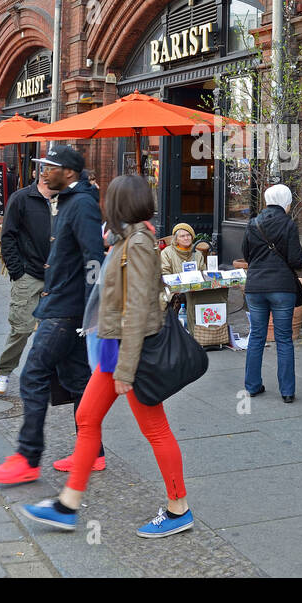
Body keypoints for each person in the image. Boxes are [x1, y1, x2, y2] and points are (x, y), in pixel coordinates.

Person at [19, 174, 194, 538]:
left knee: (155, 428)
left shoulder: (141, 242)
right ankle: (68, 505)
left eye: (109, 199)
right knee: (86, 416)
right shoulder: (128, 238)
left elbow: (138, 310)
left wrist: (125, 370)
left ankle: (179, 508)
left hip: (133, 354)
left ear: (120, 204)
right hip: (114, 351)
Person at [0, 145, 104, 485]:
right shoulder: (69, 200)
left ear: (67, 172)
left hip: (66, 310)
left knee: (33, 376)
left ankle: (27, 457)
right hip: (63, 305)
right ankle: (93, 453)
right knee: (80, 382)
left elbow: (93, 258)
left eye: (49, 167)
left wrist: (88, 311)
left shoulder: (81, 204)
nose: (43, 171)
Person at [0, 169, 55, 397]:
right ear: (39, 173)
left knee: (56, 330)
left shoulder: (65, 200)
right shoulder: (22, 198)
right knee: (22, 328)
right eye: (48, 169)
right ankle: (4, 369)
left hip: (57, 277)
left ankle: (47, 376)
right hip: (28, 274)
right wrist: (17, 271)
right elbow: (8, 235)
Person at [241, 184, 302, 403]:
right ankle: (287, 391)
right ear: (285, 201)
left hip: (256, 287)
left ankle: (252, 385)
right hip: (282, 288)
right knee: (284, 339)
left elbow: (246, 254)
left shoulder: (253, 224)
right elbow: (296, 260)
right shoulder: (289, 224)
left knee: (256, 336)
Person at [159, 222, 206, 311]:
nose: (186, 238)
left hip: (195, 289)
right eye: (182, 236)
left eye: (188, 235)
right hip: (174, 290)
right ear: (176, 239)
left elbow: (203, 272)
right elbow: (165, 274)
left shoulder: (198, 254)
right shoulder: (166, 253)